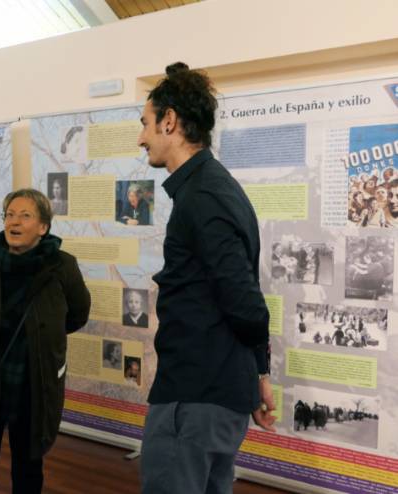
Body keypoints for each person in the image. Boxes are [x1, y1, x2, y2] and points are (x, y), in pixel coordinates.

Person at [136, 63, 274, 494]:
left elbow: (246, 303)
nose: (141, 137)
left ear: (169, 121)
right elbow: (240, 294)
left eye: (145, 123)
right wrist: (258, 373)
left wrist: (258, 373)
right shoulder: (215, 188)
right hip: (214, 393)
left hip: (195, 397)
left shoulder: (202, 197)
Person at [0, 188, 90, 494]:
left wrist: (43, 338)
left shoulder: (62, 266)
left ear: (43, 227)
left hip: (33, 383)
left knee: (29, 468)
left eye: (25, 215)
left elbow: (77, 314)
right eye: (9, 214)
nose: (14, 222)